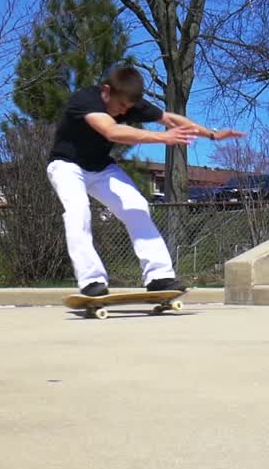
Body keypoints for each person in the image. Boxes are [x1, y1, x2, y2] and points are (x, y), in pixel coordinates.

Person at [46, 63, 243, 297]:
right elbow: (112, 131)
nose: (122, 112)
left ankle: (159, 277)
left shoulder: (129, 105)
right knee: (78, 212)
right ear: (107, 90)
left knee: (137, 206)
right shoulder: (86, 100)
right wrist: (162, 138)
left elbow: (169, 119)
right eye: (120, 105)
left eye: (128, 108)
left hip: (100, 167)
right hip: (66, 166)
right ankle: (91, 281)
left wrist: (211, 134)